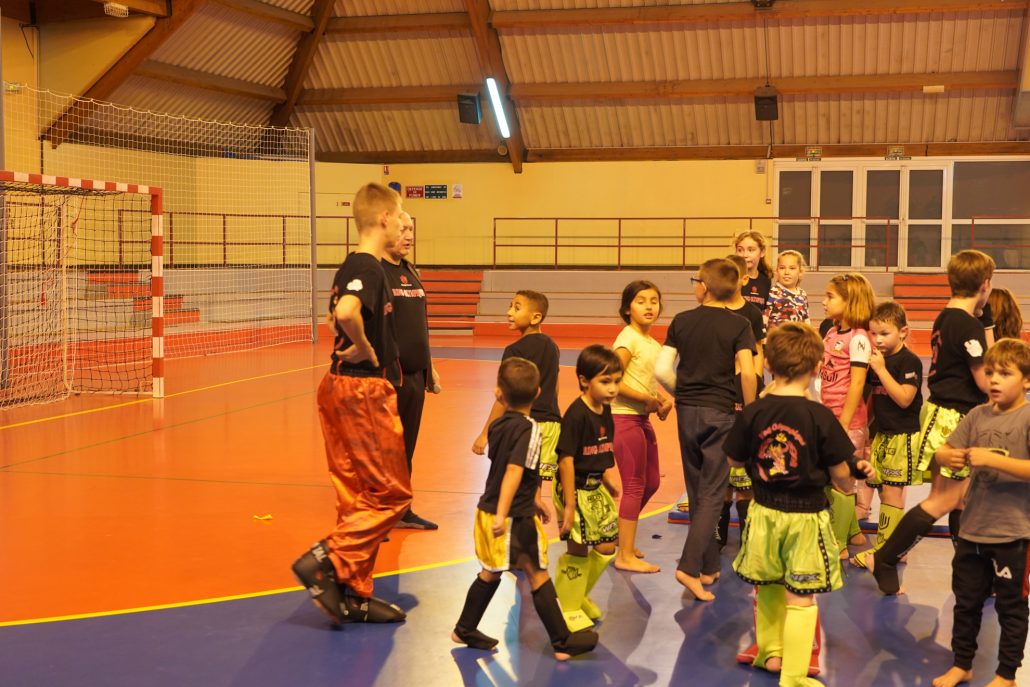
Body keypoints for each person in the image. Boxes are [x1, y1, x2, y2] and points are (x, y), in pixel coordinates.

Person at [292, 183, 410, 625]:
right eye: (400, 216)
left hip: (337, 385)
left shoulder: (349, 265)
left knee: (356, 496)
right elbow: (344, 313)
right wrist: (363, 344)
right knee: (392, 495)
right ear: (384, 218)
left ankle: (355, 593)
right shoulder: (369, 266)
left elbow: (334, 314)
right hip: (363, 391)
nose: (403, 224)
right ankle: (326, 558)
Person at [729, 323, 872, 687]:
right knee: (801, 596)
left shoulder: (753, 411)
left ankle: (770, 653)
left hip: (763, 513)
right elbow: (841, 476)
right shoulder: (819, 416)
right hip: (805, 517)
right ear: (816, 367)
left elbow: (733, 460)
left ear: (769, 365)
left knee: (768, 585)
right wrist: (851, 476)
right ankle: (793, 676)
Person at [452, 357, 599, 660]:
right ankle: (562, 642)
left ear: (498, 394)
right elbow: (514, 470)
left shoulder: (497, 426)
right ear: (538, 393)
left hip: (489, 510)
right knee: (537, 573)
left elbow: (505, 468)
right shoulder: (530, 429)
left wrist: (533, 499)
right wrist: (505, 512)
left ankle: (464, 628)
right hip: (512, 518)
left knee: (491, 571)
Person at [872, 250, 995, 595]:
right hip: (954, 419)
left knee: (960, 500)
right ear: (985, 285)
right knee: (945, 499)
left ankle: (971, 575)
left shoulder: (946, 316)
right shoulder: (967, 325)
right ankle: (886, 557)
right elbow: (985, 381)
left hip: (944, 412)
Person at [931, 338, 1030, 687]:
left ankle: (1006, 674)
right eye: (990, 373)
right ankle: (963, 663)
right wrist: (946, 456)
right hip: (973, 528)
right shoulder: (977, 415)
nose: (994, 380)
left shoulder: (1027, 418)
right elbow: (944, 450)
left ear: (1027, 380)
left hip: (1013, 533)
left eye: (1005, 373)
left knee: (1011, 607)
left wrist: (992, 460)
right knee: (966, 602)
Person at [656, 258, 757, 601]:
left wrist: (683, 394)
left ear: (705, 287)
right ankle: (689, 566)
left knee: (699, 491)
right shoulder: (740, 324)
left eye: (695, 281)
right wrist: (750, 413)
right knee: (714, 493)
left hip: (687, 413)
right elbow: (747, 372)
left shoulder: (682, 321)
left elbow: (661, 370)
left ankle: (707, 566)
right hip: (720, 413)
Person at [552, 345, 624, 630]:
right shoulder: (576, 415)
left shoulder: (605, 410)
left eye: (617, 381)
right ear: (584, 380)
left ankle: (577, 593)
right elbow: (566, 460)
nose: (613, 388)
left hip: (594, 487)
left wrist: (605, 478)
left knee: (607, 546)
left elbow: (596, 448)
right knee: (579, 550)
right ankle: (568, 607)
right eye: (605, 381)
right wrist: (569, 505)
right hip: (574, 488)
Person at [850, 302, 923, 570]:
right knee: (882, 490)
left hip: (902, 436)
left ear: (903, 332)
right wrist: (866, 427)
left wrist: (881, 369)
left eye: (884, 333)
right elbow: (874, 398)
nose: (878, 340)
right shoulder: (879, 360)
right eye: (873, 334)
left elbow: (905, 399)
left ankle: (886, 552)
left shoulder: (908, 361)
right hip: (882, 434)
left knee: (892, 494)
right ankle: (892, 549)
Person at [382, 211, 440, 530]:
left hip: (416, 377)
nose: (409, 235)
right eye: (403, 229)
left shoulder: (409, 270)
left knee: (406, 448)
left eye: (411, 229)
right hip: (388, 379)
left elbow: (419, 324)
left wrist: (430, 367)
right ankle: (376, 514)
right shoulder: (375, 271)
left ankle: (401, 509)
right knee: (383, 450)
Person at [611, 281, 673, 574]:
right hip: (623, 418)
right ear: (627, 309)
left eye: (654, 301)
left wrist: (660, 399)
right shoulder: (627, 340)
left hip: (641, 418)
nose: (649, 306)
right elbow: (613, 381)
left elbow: (644, 382)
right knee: (634, 485)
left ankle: (621, 536)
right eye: (641, 301)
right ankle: (624, 554)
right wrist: (647, 400)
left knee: (651, 483)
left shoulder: (652, 343)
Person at [472, 291, 561, 486]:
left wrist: (485, 434)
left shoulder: (514, 350)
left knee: (519, 484)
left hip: (525, 427)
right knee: (535, 487)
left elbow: (504, 397)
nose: (509, 312)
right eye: (510, 306)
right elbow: (555, 387)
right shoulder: (552, 346)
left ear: (535, 317)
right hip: (551, 425)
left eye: (516, 308)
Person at [820, 273, 877, 558]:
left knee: (841, 482)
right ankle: (854, 532)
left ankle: (838, 543)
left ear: (850, 302)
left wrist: (843, 423)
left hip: (848, 422)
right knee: (831, 478)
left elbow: (857, 383)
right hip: (829, 417)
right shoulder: (832, 333)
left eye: (830, 297)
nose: (824, 302)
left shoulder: (859, 338)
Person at [717, 255, 768, 548]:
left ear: (744, 279)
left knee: (746, 474)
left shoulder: (751, 313)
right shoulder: (714, 310)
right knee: (723, 473)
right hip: (721, 392)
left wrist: (755, 383)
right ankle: (719, 533)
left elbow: (757, 352)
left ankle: (748, 534)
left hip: (746, 387)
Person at [765, 250, 812, 329]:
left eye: (792, 268)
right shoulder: (772, 293)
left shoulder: (802, 294)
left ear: (800, 272)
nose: (786, 272)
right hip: (777, 336)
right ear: (777, 271)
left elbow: (806, 320)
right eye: (782, 268)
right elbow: (764, 318)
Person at [734, 230, 774, 312]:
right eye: (740, 250)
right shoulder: (731, 278)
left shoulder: (766, 280)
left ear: (762, 252)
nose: (745, 255)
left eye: (750, 250)